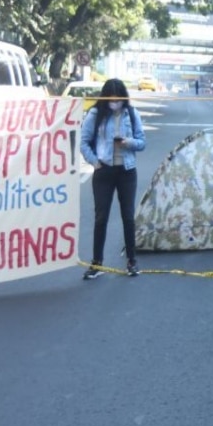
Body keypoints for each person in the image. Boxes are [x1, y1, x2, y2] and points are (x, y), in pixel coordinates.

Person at [79, 79, 146, 279]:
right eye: (111, 99)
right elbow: (83, 142)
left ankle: (132, 261)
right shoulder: (95, 114)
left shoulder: (131, 114)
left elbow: (142, 142)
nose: (115, 103)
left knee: (128, 217)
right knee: (101, 217)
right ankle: (97, 263)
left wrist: (129, 142)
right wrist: (94, 161)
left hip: (127, 171)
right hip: (104, 171)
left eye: (118, 99)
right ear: (105, 98)